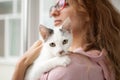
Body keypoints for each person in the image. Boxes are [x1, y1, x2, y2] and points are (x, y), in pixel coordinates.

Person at [12, 0, 120, 80]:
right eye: (54, 6)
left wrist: (21, 65)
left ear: (88, 12)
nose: (53, 13)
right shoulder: (102, 59)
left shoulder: (68, 69)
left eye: (64, 3)